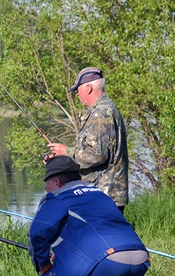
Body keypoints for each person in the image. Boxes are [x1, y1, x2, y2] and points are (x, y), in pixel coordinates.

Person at [47, 67, 129, 211]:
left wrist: (66, 152)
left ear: (89, 88)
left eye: (78, 89)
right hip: (104, 194)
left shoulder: (101, 113)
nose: (77, 94)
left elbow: (96, 155)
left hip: (104, 195)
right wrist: (60, 159)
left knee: (101, 234)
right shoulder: (105, 109)